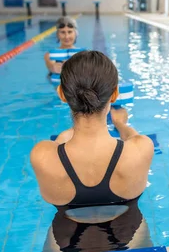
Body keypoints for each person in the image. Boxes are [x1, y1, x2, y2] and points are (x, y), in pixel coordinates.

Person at [30, 50, 155, 209]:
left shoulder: (42, 155)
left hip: (64, 233)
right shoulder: (141, 148)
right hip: (131, 232)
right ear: (115, 94)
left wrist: (73, 130)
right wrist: (121, 124)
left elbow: (59, 143)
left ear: (61, 94)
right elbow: (133, 138)